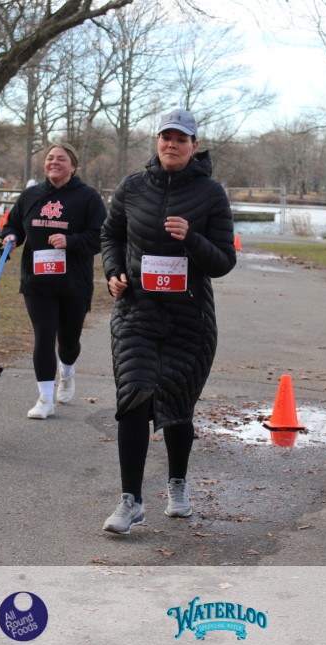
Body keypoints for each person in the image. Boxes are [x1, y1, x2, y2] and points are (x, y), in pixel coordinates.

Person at [99, 109, 237, 534]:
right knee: (134, 397)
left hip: (189, 321)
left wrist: (191, 237)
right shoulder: (133, 187)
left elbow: (224, 261)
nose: (172, 144)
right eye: (165, 137)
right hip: (136, 313)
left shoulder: (211, 194)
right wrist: (113, 272)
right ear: (156, 141)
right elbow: (111, 234)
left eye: (181, 138)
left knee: (177, 405)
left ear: (194, 146)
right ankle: (131, 500)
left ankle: (178, 484)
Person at [0, 143, 106, 419]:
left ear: (73, 166)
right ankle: (45, 399)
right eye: (50, 158)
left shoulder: (88, 197)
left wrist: (70, 241)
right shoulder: (31, 195)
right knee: (44, 336)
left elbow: (100, 237)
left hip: (74, 282)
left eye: (61, 159)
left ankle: (67, 371)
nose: (54, 162)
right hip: (38, 280)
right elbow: (13, 225)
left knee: (68, 341)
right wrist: (10, 237)